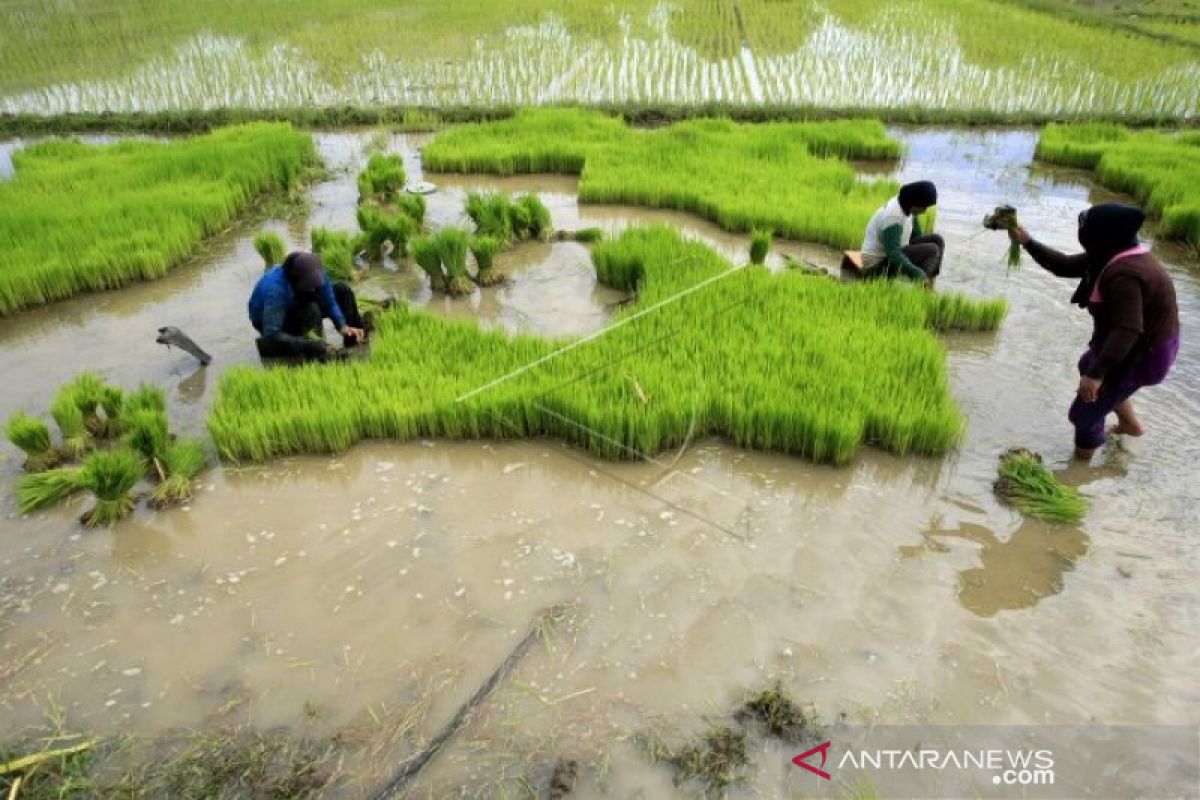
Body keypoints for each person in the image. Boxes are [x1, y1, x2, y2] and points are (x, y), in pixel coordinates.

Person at [1009, 204, 1179, 460]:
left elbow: (1128, 329)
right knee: (1087, 363)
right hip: (1136, 344)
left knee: (1083, 413)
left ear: (1102, 236)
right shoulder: (1113, 254)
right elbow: (1063, 265)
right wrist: (1027, 241)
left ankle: (1080, 469)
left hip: (1144, 355)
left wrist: (1097, 376)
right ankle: (1131, 426)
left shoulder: (1125, 275)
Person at [248, 251, 366, 360]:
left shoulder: (317, 273)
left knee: (342, 290)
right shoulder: (276, 291)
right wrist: (309, 345)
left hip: (297, 300)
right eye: (309, 286)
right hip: (269, 320)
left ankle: (354, 341)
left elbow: (330, 302)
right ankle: (320, 351)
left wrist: (342, 326)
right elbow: (271, 333)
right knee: (311, 310)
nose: (313, 290)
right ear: (295, 281)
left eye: (315, 286)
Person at [860, 180, 944, 286]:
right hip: (877, 265)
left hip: (893, 253)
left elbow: (916, 236)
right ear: (915, 203)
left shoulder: (906, 204)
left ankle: (928, 280)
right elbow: (894, 254)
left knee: (937, 240)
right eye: (923, 207)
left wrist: (922, 254)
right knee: (932, 249)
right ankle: (921, 283)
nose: (924, 211)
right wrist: (917, 273)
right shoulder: (893, 217)